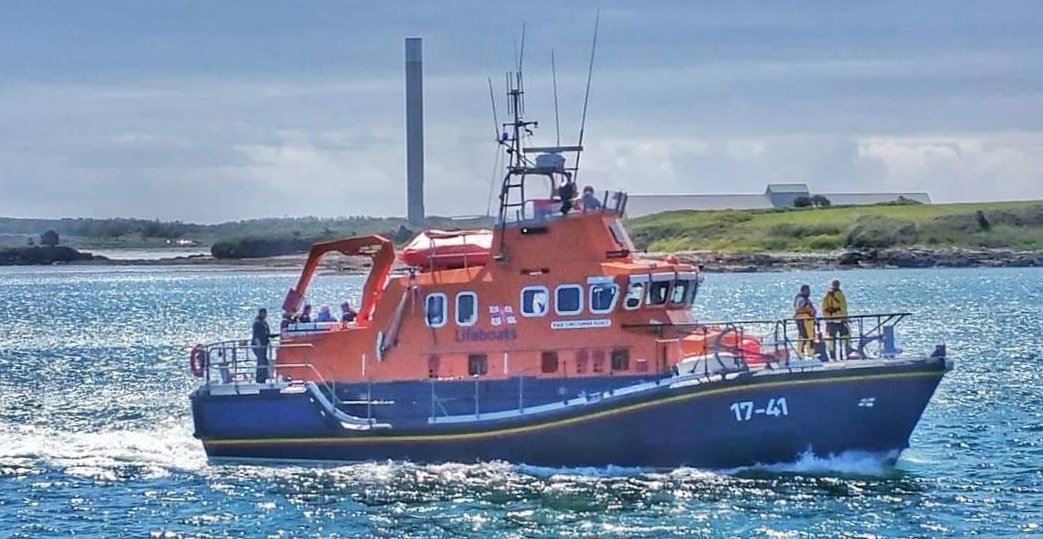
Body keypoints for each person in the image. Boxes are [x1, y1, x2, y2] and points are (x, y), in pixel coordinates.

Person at [822, 279, 852, 360]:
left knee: (831, 340)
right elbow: (844, 307)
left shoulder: (826, 296)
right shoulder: (840, 295)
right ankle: (846, 355)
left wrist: (827, 319)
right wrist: (846, 318)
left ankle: (833, 357)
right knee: (845, 338)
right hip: (841, 320)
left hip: (830, 321)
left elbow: (824, 309)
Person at [251, 308, 276, 383]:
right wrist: (259, 345)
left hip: (264, 344)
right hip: (258, 345)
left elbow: (266, 334)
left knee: (264, 361)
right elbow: (256, 335)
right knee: (261, 361)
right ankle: (260, 378)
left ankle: (264, 376)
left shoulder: (264, 322)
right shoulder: (257, 323)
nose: (265, 315)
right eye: (264, 313)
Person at [793, 284, 817, 359]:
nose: (809, 292)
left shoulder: (806, 299)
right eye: (807, 290)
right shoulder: (801, 299)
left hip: (808, 321)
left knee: (810, 337)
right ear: (803, 291)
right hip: (803, 320)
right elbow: (799, 309)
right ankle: (800, 354)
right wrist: (809, 310)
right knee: (803, 336)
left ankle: (810, 354)